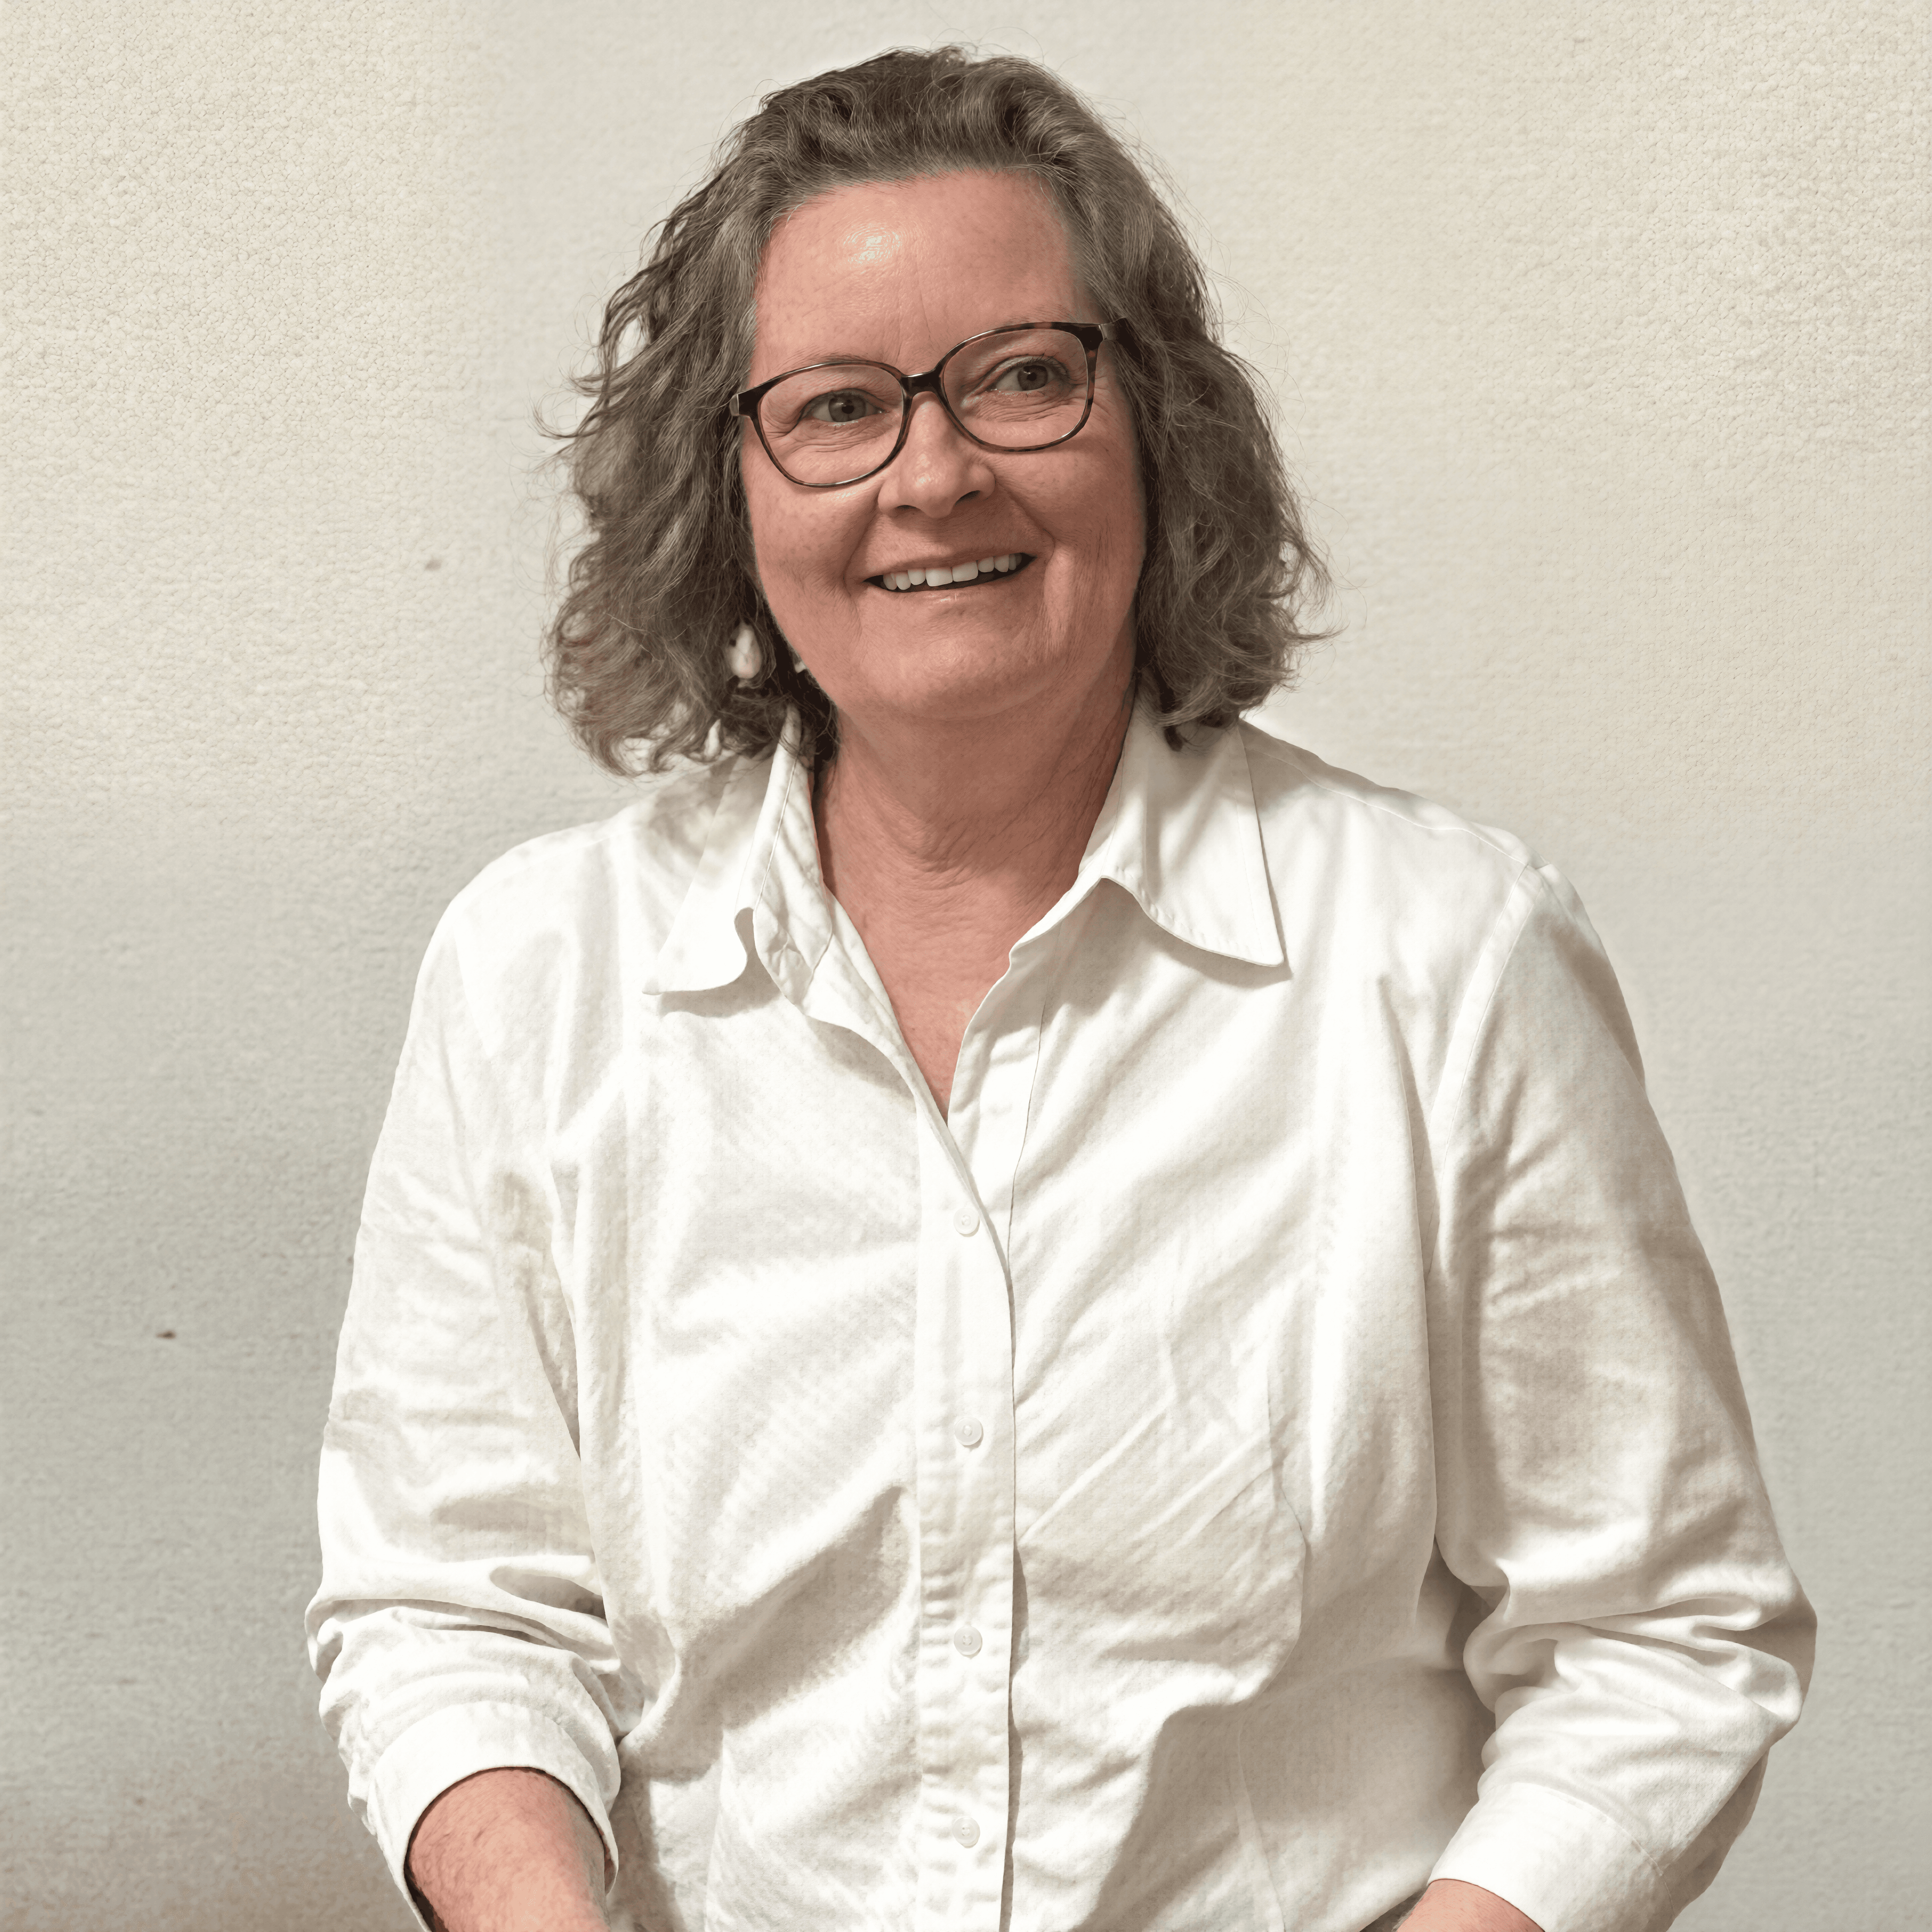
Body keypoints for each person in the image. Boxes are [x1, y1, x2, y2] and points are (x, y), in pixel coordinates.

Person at [306, 46, 1812, 1932]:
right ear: (734, 491)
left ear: (1156, 426)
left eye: (1023, 377)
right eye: (839, 407)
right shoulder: (541, 975)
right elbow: (451, 1605)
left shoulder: (1446, 955)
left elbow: (1659, 1644)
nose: (935, 475)